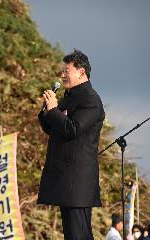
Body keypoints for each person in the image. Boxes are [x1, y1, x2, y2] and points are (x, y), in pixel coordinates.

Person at [37, 49, 105, 239]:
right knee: (71, 235)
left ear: (81, 71)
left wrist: (53, 111)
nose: (62, 75)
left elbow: (73, 129)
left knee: (79, 234)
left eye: (66, 70)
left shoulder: (91, 99)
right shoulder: (69, 97)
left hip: (78, 181)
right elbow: (54, 129)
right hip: (65, 177)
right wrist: (46, 112)